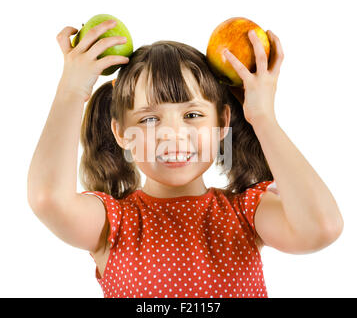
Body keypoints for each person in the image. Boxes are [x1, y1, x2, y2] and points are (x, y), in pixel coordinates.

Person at [27, 19, 344, 298]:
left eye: (192, 114)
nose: (173, 134)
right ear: (121, 132)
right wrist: (70, 91)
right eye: (149, 119)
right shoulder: (112, 223)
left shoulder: (248, 214)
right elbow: (47, 199)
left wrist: (263, 117)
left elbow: (322, 227)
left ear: (221, 124)